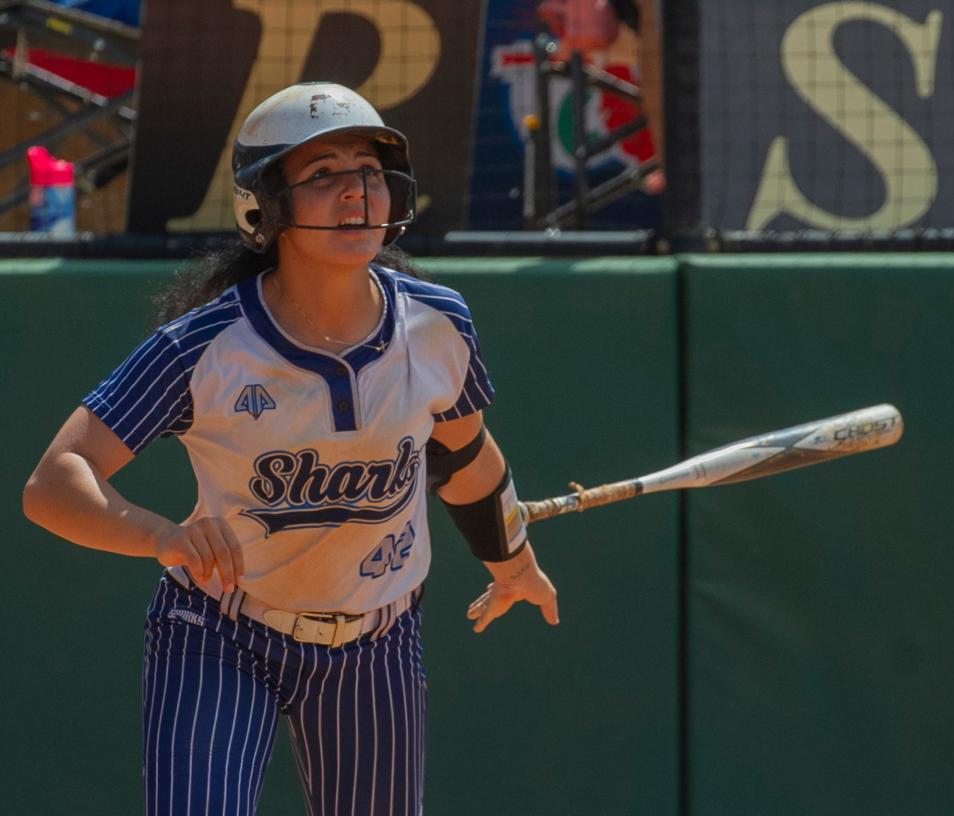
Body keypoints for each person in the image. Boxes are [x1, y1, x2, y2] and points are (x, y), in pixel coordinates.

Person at [22, 81, 559, 816]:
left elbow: (462, 458)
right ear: (265, 209)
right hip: (218, 632)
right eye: (324, 175)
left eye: (369, 172)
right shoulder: (207, 346)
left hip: (377, 639)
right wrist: (163, 536)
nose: (357, 194)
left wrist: (514, 563)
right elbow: (54, 481)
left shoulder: (438, 324)